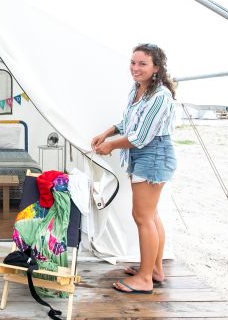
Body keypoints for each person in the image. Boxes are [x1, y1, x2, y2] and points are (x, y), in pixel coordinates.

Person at [90, 43, 177, 295]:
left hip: (154, 154)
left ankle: (145, 278)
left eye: (142, 64)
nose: (135, 68)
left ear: (156, 68)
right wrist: (107, 132)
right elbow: (129, 122)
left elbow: (140, 137)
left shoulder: (160, 96)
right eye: (133, 62)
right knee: (150, 215)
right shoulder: (138, 88)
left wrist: (111, 145)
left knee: (142, 217)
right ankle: (155, 270)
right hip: (143, 154)